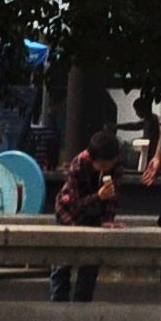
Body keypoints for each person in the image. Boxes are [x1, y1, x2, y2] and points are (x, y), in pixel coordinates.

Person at [52, 129, 122, 301]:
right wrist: (98, 196)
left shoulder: (116, 164)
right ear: (94, 160)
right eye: (103, 165)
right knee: (62, 264)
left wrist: (108, 220)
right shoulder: (79, 164)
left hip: (95, 215)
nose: (107, 168)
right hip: (69, 213)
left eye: (110, 164)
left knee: (90, 265)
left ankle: (82, 307)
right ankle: (58, 305)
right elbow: (74, 203)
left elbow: (114, 197)